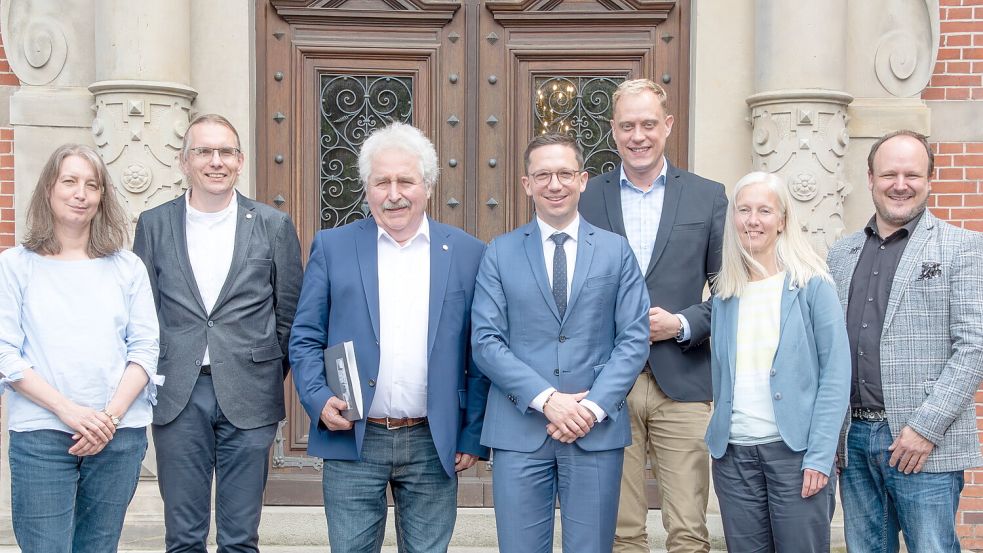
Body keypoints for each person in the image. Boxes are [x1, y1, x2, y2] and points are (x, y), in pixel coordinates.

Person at [289, 122, 489, 553]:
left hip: (434, 440)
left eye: (406, 181)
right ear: (367, 188)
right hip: (353, 436)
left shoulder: (469, 253)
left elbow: (479, 352)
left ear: (428, 187)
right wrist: (318, 398)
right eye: (382, 182)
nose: (394, 193)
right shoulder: (333, 246)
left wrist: (471, 434)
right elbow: (305, 336)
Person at [471, 133, 650, 553]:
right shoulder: (499, 252)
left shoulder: (616, 252)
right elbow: (486, 341)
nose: (555, 184)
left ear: (583, 180)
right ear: (526, 184)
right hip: (520, 430)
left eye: (565, 173)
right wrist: (547, 399)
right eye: (543, 175)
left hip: (595, 431)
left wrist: (589, 408)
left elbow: (633, 338)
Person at [133, 114, 303, 553]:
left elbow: (289, 314)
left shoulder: (271, 225)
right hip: (177, 396)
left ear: (240, 160)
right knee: (184, 538)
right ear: (184, 161)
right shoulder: (154, 224)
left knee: (240, 538)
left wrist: (262, 370)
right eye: (204, 151)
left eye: (225, 151)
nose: (216, 161)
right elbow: (142, 314)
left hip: (250, 396)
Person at [579, 78, 726, 553]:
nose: (637, 135)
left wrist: (682, 324)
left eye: (647, 124)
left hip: (683, 380)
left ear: (668, 125)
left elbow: (731, 292)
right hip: (604, 384)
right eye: (627, 126)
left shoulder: (707, 196)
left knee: (688, 531)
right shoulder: (586, 197)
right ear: (613, 131)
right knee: (620, 533)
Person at [0, 144, 161, 552]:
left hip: (117, 436)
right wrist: (69, 412)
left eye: (92, 185)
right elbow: (6, 354)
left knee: (98, 547)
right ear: (49, 190)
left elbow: (144, 348)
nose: (81, 193)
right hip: (42, 435)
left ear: (102, 196)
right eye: (69, 181)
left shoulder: (127, 267)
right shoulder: (15, 265)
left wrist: (108, 418)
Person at [828, 130, 983, 553]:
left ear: (930, 179)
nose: (900, 184)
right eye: (889, 174)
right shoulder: (841, 255)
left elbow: (974, 347)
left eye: (912, 174)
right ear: (870, 179)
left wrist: (924, 429)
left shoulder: (963, 247)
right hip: (854, 439)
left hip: (924, 445)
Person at [705, 171, 849, 552]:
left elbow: (836, 376)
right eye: (744, 210)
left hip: (796, 456)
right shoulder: (725, 292)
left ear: (783, 219)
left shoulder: (813, 284)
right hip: (734, 457)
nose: (753, 220)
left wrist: (819, 456)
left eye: (765, 210)